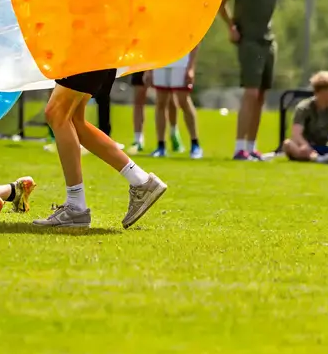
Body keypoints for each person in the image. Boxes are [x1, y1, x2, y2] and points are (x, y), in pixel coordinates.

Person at [33, 68, 167, 230]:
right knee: (74, 120)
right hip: (101, 54)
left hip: (89, 51)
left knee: (57, 113)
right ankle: (141, 181)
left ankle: (76, 206)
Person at [219, 0, 284, 161]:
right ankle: (239, 148)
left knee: (262, 95)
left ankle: (252, 147)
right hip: (250, 43)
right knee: (251, 93)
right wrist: (231, 26)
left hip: (268, 43)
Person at [150, 49, 202, 159]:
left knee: (183, 101)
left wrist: (191, 66)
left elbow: (195, 40)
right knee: (160, 102)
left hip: (181, 62)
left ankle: (195, 144)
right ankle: (161, 146)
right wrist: (148, 69)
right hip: (160, 60)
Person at [127, 71, 149, 153]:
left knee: (168, 100)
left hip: (157, 63)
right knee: (138, 102)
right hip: (141, 65)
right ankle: (138, 139)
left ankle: (173, 133)